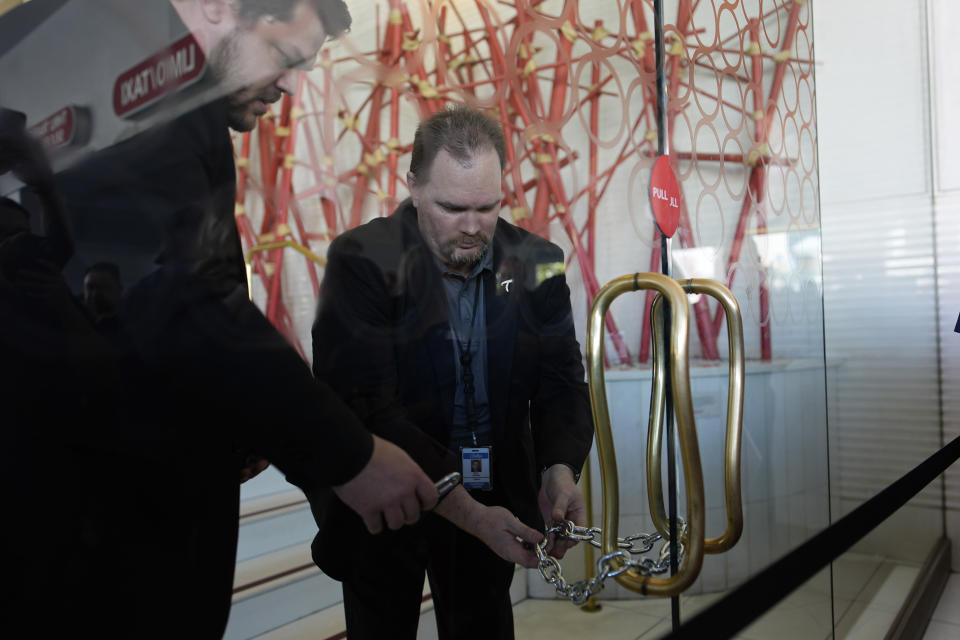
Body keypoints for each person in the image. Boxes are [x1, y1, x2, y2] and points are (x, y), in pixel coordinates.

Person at [5, 1, 439, 636]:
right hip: (83, 544)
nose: (292, 86)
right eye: (287, 57)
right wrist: (349, 455)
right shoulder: (131, 72)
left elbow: (90, 306)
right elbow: (173, 298)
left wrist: (231, 418)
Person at [310, 106, 594, 639]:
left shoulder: (538, 261)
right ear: (412, 187)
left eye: (487, 207)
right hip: (387, 502)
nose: (472, 227)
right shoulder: (361, 260)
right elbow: (365, 406)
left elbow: (560, 378)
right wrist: (466, 509)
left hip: (493, 494)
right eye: (452, 207)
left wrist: (560, 467)